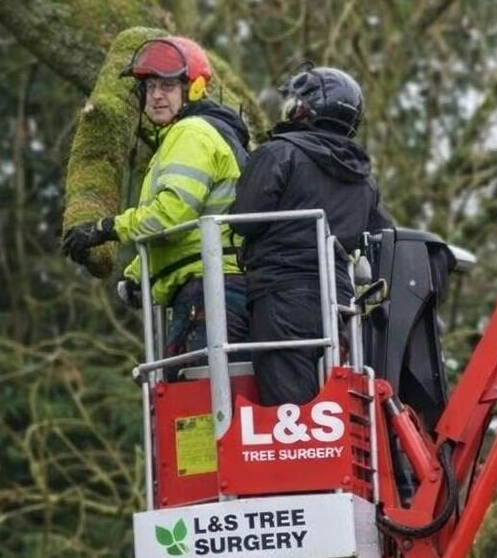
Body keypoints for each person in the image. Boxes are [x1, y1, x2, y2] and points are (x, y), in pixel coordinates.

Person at [62, 36, 250, 372]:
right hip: (207, 289)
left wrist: (105, 228)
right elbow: (180, 233)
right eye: (150, 88)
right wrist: (138, 276)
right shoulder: (198, 134)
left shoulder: (192, 133)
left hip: (211, 293)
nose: (156, 96)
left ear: (193, 89)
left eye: (167, 86)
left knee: (199, 408)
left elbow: (170, 215)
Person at [231, 66, 392, 405]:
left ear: (302, 109)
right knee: (330, 402)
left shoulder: (278, 154)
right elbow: (381, 237)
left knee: (287, 407)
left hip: (280, 295)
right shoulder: (364, 180)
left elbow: (244, 221)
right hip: (339, 302)